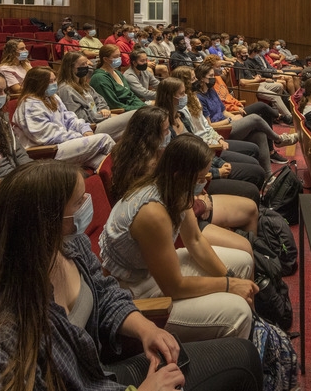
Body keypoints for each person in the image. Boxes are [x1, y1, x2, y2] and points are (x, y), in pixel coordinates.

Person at [0, 159, 263, 391]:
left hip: (95, 371)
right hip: (98, 381)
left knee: (242, 356)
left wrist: (143, 325)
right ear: (47, 220)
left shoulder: (65, 246)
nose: (89, 205)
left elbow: (104, 291)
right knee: (243, 363)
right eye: (79, 202)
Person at [100, 135, 258, 342]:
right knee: (239, 312)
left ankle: (256, 334)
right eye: (200, 178)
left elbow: (195, 241)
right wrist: (229, 285)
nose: (204, 182)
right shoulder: (151, 213)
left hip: (153, 271)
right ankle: (234, 357)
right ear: (179, 175)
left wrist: (230, 279)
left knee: (243, 262)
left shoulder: (175, 187)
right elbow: (173, 287)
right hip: (134, 292)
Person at [110, 107, 258, 247]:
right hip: (177, 225)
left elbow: (179, 188)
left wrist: (198, 194)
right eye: (166, 130)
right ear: (151, 135)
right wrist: (200, 205)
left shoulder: (159, 153)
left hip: (189, 203)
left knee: (251, 208)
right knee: (243, 247)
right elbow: (166, 209)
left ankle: (261, 262)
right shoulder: (144, 167)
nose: (170, 134)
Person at [155, 76, 265, 192]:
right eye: (182, 94)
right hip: (195, 179)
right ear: (169, 97)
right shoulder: (164, 129)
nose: (185, 96)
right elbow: (181, 165)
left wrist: (220, 163)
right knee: (254, 180)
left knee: (256, 167)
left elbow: (198, 149)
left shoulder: (181, 117)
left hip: (206, 162)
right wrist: (217, 172)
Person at [194, 61, 296, 164]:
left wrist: (236, 117)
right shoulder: (199, 98)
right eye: (211, 76)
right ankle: (279, 138)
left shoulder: (211, 90)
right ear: (202, 78)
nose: (214, 78)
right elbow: (210, 125)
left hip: (229, 122)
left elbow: (224, 111)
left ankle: (268, 176)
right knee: (255, 118)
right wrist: (230, 120)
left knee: (260, 134)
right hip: (222, 130)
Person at [12, 67, 115, 168]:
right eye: (49, 81)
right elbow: (46, 136)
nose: (53, 84)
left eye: (54, 80)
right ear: (38, 84)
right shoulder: (30, 105)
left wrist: (84, 128)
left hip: (64, 143)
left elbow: (69, 118)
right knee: (104, 139)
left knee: (102, 159)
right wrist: (78, 136)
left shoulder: (53, 98)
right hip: (48, 151)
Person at [55, 51, 135, 141]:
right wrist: (104, 116)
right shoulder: (65, 89)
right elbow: (80, 118)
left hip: (100, 119)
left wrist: (103, 109)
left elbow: (100, 99)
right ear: (70, 67)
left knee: (134, 126)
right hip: (92, 127)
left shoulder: (83, 84)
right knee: (135, 116)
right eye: (82, 64)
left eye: (86, 63)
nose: (86, 66)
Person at [232, 44, 291, 124]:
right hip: (251, 87)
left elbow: (248, 76)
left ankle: (274, 114)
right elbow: (242, 82)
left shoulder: (244, 63)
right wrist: (255, 80)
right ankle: (289, 117)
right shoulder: (238, 65)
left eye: (246, 53)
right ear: (238, 54)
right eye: (244, 53)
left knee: (279, 86)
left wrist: (255, 77)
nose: (246, 55)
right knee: (275, 96)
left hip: (257, 83)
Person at [90, 45, 146, 112]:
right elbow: (114, 105)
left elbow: (131, 95)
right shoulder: (99, 78)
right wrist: (139, 109)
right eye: (115, 57)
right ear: (105, 59)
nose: (119, 58)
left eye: (119, 56)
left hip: (132, 108)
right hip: (120, 112)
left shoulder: (117, 72)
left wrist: (143, 106)